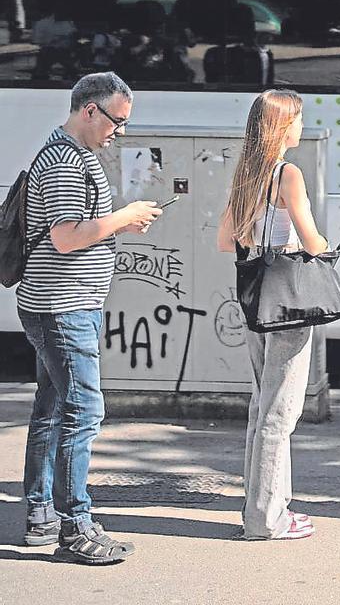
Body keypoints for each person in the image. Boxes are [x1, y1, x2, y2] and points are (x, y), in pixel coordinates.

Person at [18, 72, 162, 564]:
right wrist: (125, 216)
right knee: (84, 412)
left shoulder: (73, 155)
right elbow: (66, 237)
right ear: (89, 111)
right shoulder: (64, 161)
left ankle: (41, 512)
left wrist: (121, 218)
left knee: (54, 408)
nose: (120, 132)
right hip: (63, 306)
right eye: (117, 121)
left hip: (61, 303)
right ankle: (75, 527)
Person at [217, 89, 330, 541]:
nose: (302, 125)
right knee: (280, 414)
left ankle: (264, 509)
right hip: (287, 302)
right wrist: (319, 245)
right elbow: (311, 241)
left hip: (253, 299)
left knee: (261, 407)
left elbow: (227, 241)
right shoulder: (288, 174)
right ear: (283, 126)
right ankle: (266, 519)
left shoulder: (247, 171)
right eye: (298, 118)